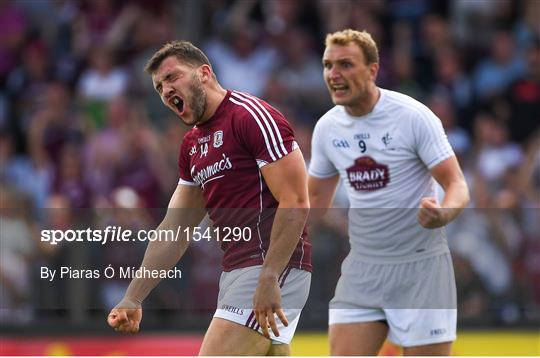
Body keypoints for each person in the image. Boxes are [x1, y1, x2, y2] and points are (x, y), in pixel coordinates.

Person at [106, 40, 312, 356]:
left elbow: (296, 201)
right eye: (159, 87)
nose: (165, 90)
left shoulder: (250, 116)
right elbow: (175, 229)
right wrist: (134, 296)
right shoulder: (192, 146)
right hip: (236, 272)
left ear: (204, 73)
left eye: (172, 77)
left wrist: (271, 276)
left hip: (270, 266)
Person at [308, 29, 469, 356]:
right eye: (328, 65)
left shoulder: (413, 116)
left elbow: (456, 184)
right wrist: (272, 253)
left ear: (372, 70)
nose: (333, 74)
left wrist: (444, 213)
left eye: (345, 65)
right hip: (363, 269)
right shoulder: (327, 128)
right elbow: (312, 202)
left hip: (421, 269)